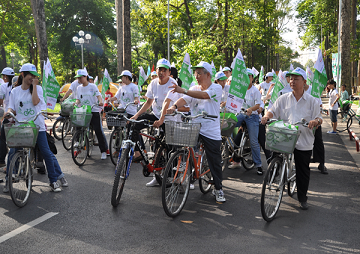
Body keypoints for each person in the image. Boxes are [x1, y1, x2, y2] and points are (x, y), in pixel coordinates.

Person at [261, 67, 322, 210]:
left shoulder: (312, 101)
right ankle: (276, 175)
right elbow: (272, 110)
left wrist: (315, 122)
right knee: (275, 158)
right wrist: (266, 116)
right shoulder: (283, 98)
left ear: (304, 82)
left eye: (296, 78)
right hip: (285, 137)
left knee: (302, 170)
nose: (292, 81)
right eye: (291, 78)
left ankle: (302, 197)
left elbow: (319, 118)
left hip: (303, 140)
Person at [167, 61, 225, 202]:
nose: (196, 75)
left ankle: (218, 189)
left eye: (199, 73)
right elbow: (185, 99)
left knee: (214, 160)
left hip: (211, 130)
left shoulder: (216, 87)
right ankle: (186, 173)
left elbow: (204, 96)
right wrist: (174, 106)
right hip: (195, 127)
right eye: (195, 73)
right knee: (183, 148)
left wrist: (184, 90)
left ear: (208, 74)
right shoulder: (194, 88)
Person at [3, 63, 68, 193]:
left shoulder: (37, 88)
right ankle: (8, 180)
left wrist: (33, 86)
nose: (33, 77)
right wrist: (8, 112)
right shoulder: (15, 91)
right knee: (12, 152)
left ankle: (54, 180)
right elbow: (11, 107)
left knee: (46, 152)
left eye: (35, 76)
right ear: (23, 74)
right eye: (30, 75)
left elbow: (35, 102)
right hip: (20, 127)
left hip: (37, 126)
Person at [130, 59, 180, 187]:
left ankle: (171, 177)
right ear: (156, 70)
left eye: (165, 70)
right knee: (135, 124)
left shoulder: (172, 83)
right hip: (157, 115)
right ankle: (137, 153)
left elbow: (166, 103)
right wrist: (136, 115)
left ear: (169, 72)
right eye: (160, 70)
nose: (162, 73)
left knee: (168, 148)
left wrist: (162, 120)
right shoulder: (153, 83)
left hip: (170, 118)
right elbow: (149, 102)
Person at [228, 69, 263, 175]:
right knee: (227, 125)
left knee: (253, 142)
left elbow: (258, 105)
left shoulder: (255, 91)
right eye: (244, 76)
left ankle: (259, 165)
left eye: (249, 76)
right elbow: (234, 100)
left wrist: (251, 109)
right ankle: (230, 150)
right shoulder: (240, 90)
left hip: (253, 117)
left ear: (252, 78)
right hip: (242, 115)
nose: (247, 78)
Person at [74, 69, 109, 159]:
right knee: (78, 125)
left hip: (93, 110)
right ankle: (77, 143)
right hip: (83, 111)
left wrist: (100, 102)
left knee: (98, 130)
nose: (79, 80)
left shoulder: (92, 86)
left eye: (80, 78)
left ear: (86, 77)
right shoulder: (79, 88)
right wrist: (75, 103)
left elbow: (98, 96)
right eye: (78, 78)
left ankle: (103, 151)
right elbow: (78, 99)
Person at [0, 67, 15, 169]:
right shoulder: (17, 86)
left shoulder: (3, 86)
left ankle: (2, 161)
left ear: (5, 76)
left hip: (7, 116)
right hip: (17, 117)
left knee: (2, 139)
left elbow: (0, 102)